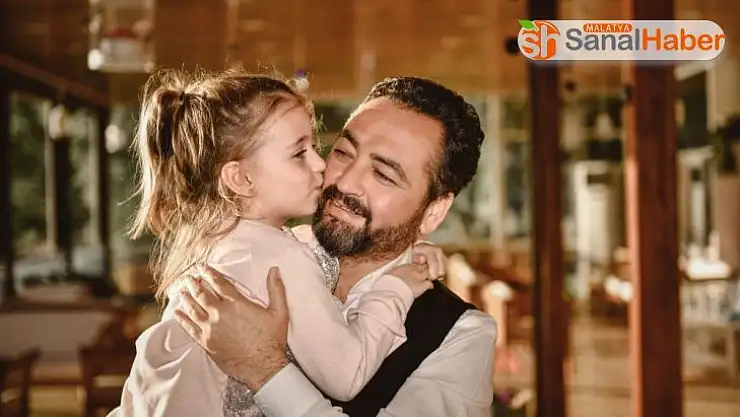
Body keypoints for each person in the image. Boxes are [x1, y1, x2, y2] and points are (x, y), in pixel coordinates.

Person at [112, 69, 449, 417]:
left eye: (315, 147)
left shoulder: (212, 242)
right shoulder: (282, 258)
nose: (320, 164)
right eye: (298, 153)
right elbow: (348, 373)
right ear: (241, 178)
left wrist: (407, 247)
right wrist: (394, 288)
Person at [175, 76, 498, 417]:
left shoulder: (461, 337)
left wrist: (264, 370)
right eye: (343, 153)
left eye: (383, 175)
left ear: (433, 212)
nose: (345, 182)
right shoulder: (254, 254)